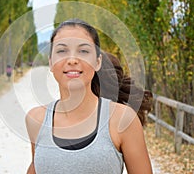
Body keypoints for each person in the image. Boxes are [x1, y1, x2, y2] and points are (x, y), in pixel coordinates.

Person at [25, 19, 153, 174]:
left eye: (83, 51)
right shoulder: (36, 120)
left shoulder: (122, 119)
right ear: (51, 62)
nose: (72, 60)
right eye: (62, 51)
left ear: (97, 62)